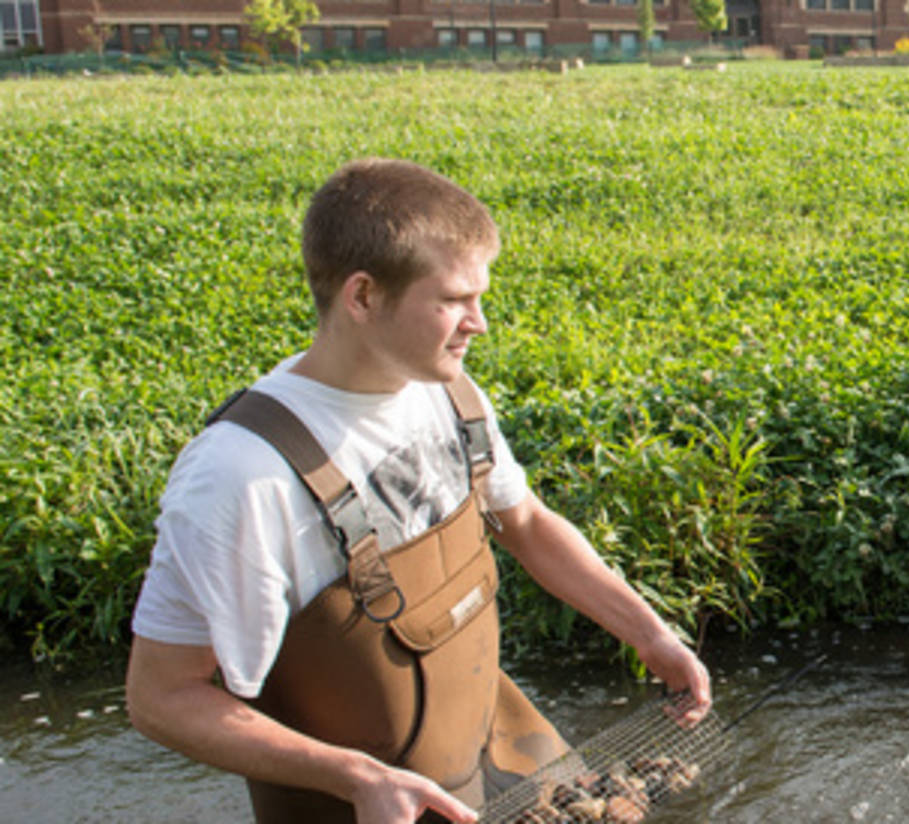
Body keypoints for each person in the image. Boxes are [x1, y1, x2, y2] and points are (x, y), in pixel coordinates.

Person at [124, 158, 711, 824]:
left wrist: (649, 634)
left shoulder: (450, 396)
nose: (479, 322)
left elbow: (526, 523)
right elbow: (163, 698)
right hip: (359, 806)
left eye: (480, 297)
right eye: (455, 300)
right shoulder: (241, 478)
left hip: (493, 747)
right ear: (364, 297)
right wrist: (354, 777)